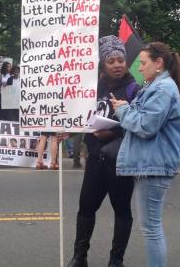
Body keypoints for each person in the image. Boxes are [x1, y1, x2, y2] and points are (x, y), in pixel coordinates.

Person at [110, 42, 180, 267]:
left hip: (154, 164)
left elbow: (146, 125)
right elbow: (147, 119)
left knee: (151, 229)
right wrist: (127, 107)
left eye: (143, 63)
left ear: (159, 63)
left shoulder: (162, 88)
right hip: (152, 163)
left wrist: (123, 110)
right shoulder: (159, 86)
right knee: (151, 227)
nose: (139, 68)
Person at [67, 35, 139, 267]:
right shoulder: (90, 88)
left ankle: (116, 260)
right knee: (86, 207)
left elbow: (141, 126)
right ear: (103, 64)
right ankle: (80, 257)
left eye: (121, 59)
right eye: (111, 61)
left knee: (122, 210)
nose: (117, 64)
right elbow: (78, 116)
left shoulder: (134, 89)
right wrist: (64, 131)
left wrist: (114, 133)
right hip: (95, 159)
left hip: (121, 162)